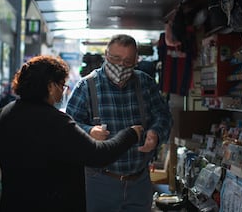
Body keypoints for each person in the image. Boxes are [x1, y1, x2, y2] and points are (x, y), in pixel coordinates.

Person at [0, 55, 144, 212]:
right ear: (50, 86)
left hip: (11, 202)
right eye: (62, 85)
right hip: (52, 203)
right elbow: (98, 155)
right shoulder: (56, 121)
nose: (63, 91)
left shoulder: (6, 112)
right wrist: (130, 134)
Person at [66, 34, 173, 212]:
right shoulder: (86, 86)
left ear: (136, 60)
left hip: (139, 182)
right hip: (100, 182)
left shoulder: (145, 83)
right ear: (106, 55)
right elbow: (69, 127)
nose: (121, 65)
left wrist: (156, 133)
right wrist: (89, 130)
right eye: (116, 58)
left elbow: (164, 116)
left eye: (128, 60)